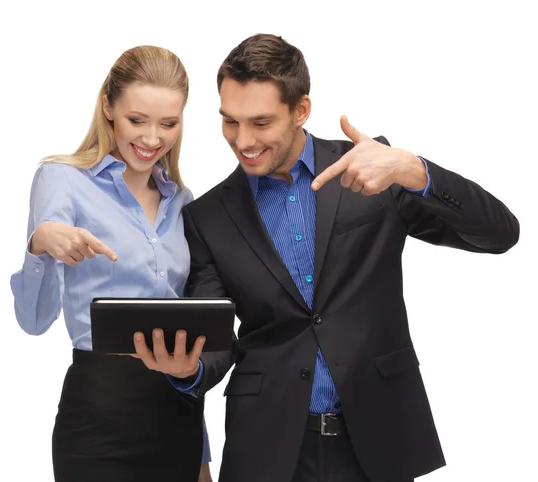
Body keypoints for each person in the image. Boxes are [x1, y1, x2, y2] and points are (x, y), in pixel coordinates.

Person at [132, 34, 520, 482]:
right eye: (229, 122)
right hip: (266, 447)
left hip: (378, 438)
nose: (242, 140)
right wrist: (190, 369)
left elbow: (500, 235)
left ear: (301, 111)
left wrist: (414, 171)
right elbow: (217, 333)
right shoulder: (207, 216)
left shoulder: (372, 168)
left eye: (260, 122)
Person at [10, 45, 212, 482]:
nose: (152, 138)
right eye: (137, 120)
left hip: (177, 412)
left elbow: (188, 334)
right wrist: (41, 244)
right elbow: (32, 320)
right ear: (108, 107)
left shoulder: (183, 202)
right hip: (98, 414)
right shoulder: (61, 179)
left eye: (169, 123)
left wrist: (203, 454)